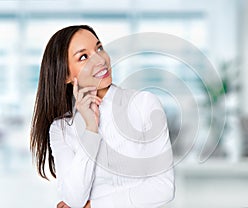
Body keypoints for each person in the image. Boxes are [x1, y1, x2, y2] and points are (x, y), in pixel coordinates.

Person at [30, 25, 175, 208]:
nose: (100, 60)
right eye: (83, 57)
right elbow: (74, 199)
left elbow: (163, 188)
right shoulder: (61, 128)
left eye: (99, 48)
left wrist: (94, 206)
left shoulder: (144, 104)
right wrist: (91, 129)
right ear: (66, 75)